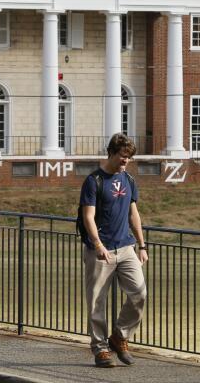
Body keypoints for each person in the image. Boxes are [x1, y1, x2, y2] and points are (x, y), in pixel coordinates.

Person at [80, 133, 148, 367]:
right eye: (122, 156)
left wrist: (142, 245)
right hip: (101, 250)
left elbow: (133, 213)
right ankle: (100, 349)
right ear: (111, 153)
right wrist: (98, 245)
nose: (125, 161)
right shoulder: (94, 181)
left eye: (128, 157)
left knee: (139, 293)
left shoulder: (128, 179)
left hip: (127, 247)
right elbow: (88, 217)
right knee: (96, 301)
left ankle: (119, 336)